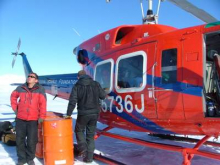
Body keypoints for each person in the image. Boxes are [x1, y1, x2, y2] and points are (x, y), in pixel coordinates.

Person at [66, 70, 106, 163]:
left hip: (83, 113)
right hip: (95, 114)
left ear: (78, 77)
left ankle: (82, 147)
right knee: (90, 136)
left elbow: (72, 101)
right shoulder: (96, 84)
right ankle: (89, 158)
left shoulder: (77, 85)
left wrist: (68, 114)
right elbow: (103, 96)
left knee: (79, 130)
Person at [10, 72, 47, 165]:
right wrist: (15, 108)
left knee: (32, 140)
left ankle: (30, 158)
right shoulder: (21, 88)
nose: (29, 77)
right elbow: (13, 97)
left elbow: (43, 104)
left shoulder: (40, 89)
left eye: (32, 77)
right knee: (20, 139)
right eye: (29, 76)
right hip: (20, 118)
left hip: (33, 119)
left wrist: (41, 116)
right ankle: (22, 159)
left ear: (36, 80)